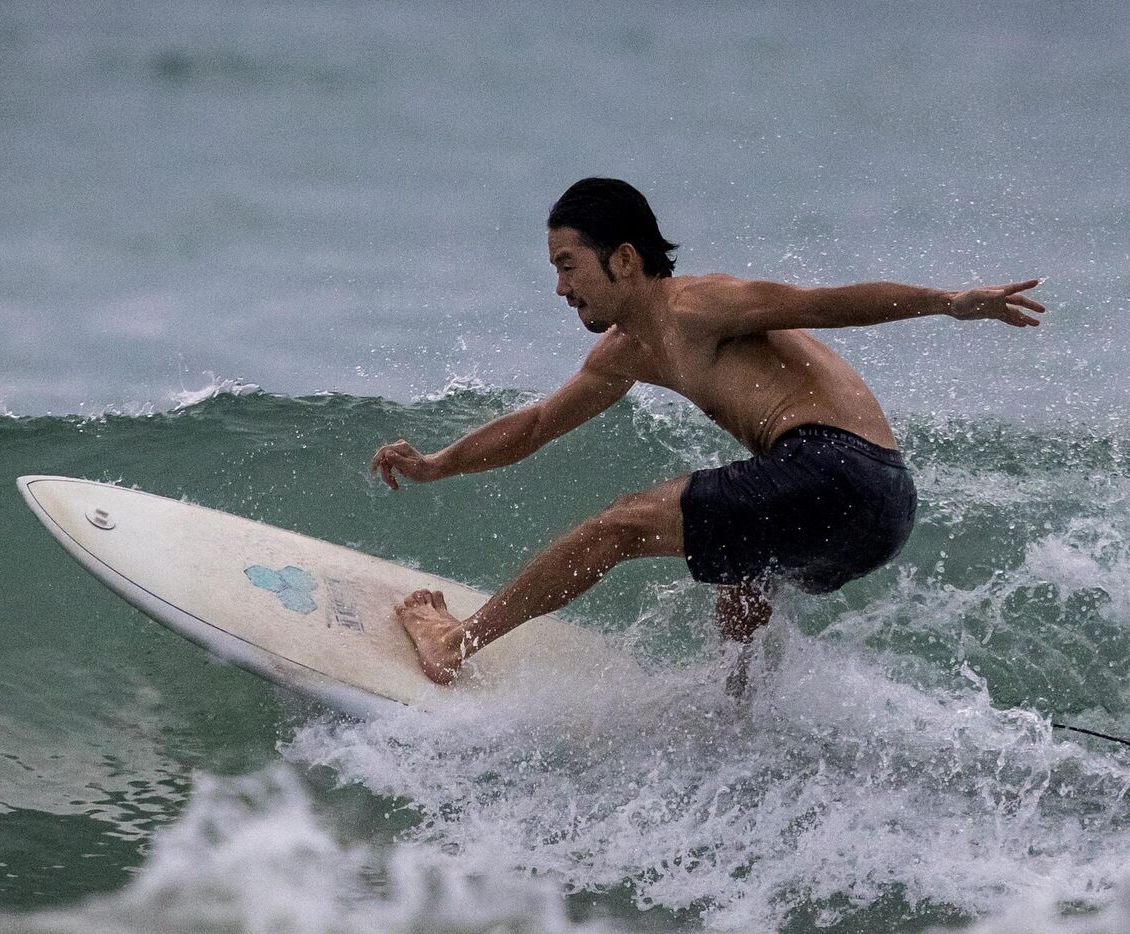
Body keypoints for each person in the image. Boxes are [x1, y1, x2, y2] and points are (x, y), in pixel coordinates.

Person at [370, 177, 1044, 684]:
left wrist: (947, 303)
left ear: (625, 260)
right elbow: (538, 424)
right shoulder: (627, 350)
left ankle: (453, 645)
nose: (560, 288)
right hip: (880, 513)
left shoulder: (697, 305)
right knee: (742, 574)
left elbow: (825, 303)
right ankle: (738, 710)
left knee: (618, 526)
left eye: (567, 265)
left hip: (840, 467)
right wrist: (436, 465)